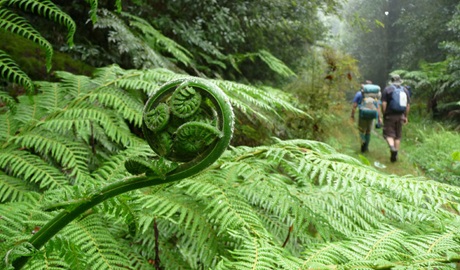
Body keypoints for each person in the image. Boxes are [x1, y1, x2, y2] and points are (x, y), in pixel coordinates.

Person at [381, 74, 411, 162]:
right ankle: (395, 155)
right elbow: (408, 105)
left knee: (389, 134)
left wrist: (384, 113)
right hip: (400, 115)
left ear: (391, 81)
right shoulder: (405, 90)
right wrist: (405, 116)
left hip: (390, 115)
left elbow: (384, 103)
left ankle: (391, 147)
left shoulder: (387, 89)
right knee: (398, 136)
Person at [351, 80, 383, 153]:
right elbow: (378, 107)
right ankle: (366, 147)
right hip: (371, 114)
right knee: (368, 131)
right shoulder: (375, 95)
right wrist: (379, 118)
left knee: (362, 130)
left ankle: (363, 145)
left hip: (363, 114)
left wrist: (352, 115)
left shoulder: (359, 94)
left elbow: (355, 105)